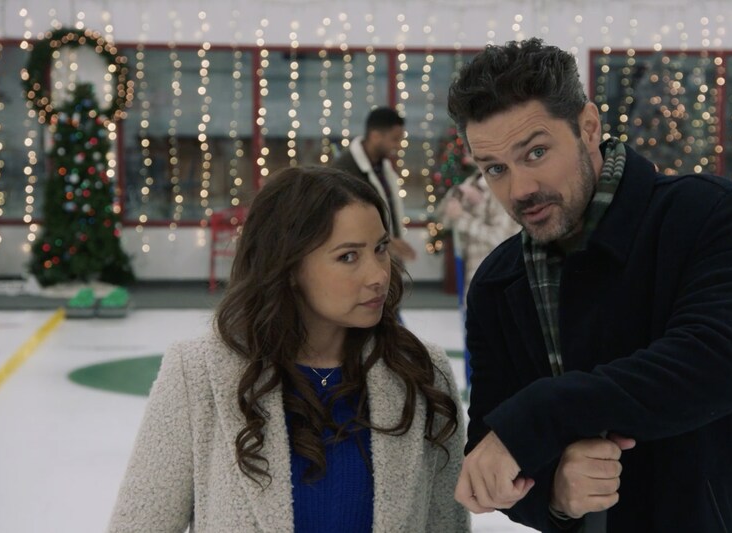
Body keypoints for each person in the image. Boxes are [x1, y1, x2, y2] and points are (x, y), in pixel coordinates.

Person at [448, 38, 732, 532]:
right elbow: (493, 454)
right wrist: (555, 495)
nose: (519, 189)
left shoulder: (709, 215)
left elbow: (714, 366)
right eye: (495, 169)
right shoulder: (498, 284)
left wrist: (538, 416)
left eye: (537, 152)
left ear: (588, 127)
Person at [107, 166, 469, 532]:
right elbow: (139, 525)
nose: (378, 275)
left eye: (380, 249)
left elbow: (447, 524)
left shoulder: (422, 372)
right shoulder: (198, 373)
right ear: (289, 266)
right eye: (348, 256)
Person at [333, 107, 418, 264]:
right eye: (395, 139)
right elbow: (347, 223)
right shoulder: (344, 170)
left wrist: (393, 241)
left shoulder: (383, 166)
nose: (398, 146)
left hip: (385, 255)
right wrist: (387, 243)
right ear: (375, 136)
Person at [440, 170, 521, 303]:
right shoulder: (469, 184)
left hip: (499, 278)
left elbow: (505, 241)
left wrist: (462, 218)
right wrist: (455, 200)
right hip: (473, 276)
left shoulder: (502, 189)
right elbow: (446, 221)